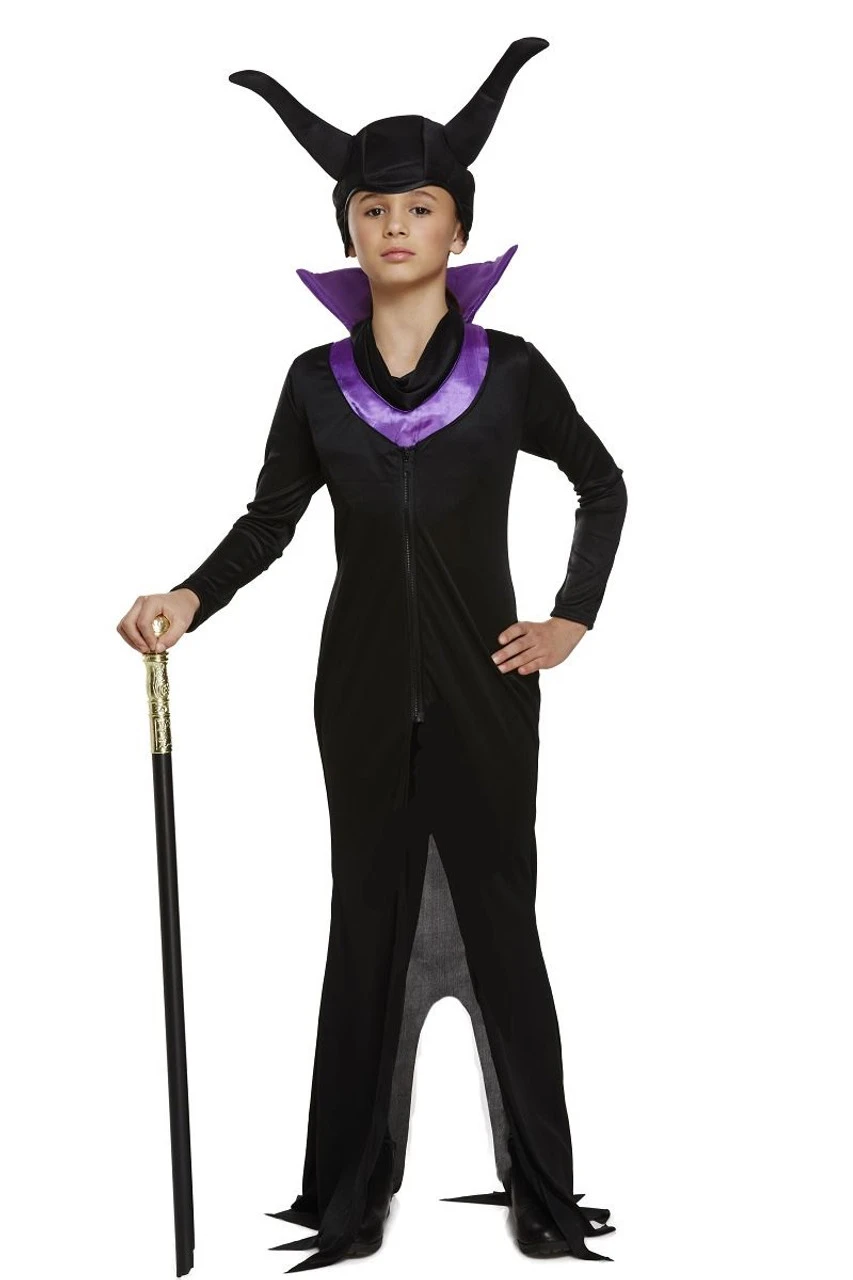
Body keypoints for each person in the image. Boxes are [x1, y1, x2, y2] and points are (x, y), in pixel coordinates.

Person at [117, 37, 627, 1272]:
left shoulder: (509, 373)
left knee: (501, 915)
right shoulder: (315, 383)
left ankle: (542, 1187)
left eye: (419, 207)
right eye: (372, 209)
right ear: (346, 229)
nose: (395, 226)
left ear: (458, 227)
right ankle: (348, 1186)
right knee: (361, 922)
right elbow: (270, 522)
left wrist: (571, 616)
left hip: (489, 689)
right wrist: (188, 595)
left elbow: (601, 482)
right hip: (354, 695)